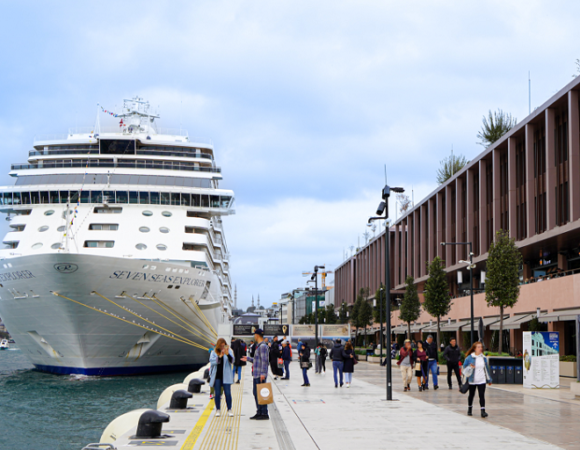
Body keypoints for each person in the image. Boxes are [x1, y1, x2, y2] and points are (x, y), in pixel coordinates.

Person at [240, 328, 270, 420]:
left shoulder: (262, 347)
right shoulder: (260, 346)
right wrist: (248, 359)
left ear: (257, 335)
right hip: (256, 373)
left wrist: (263, 373)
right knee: (256, 393)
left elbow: (265, 361)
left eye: (254, 335)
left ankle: (264, 413)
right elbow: (258, 360)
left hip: (260, 374)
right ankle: (259, 411)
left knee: (261, 393)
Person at [463, 341, 492, 418]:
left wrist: (489, 379)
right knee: (471, 395)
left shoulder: (483, 358)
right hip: (472, 380)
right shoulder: (469, 357)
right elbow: (464, 367)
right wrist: (470, 366)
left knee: (481, 395)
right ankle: (470, 409)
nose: (480, 348)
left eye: (481, 347)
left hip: (481, 379)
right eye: (478, 347)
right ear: (475, 349)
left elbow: (486, 369)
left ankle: (483, 411)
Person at [209, 338, 235, 417]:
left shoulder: (229, 351)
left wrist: (227, 354)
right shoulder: (214, 352)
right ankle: (218, 409)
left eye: (224, 346)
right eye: (221, 346)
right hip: (217, 376)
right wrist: (220, 356)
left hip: (226, 376)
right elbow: (212, 361)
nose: (222, 348)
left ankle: (229, 409)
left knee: (228, 393)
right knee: (217, 394)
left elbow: (232, 361)